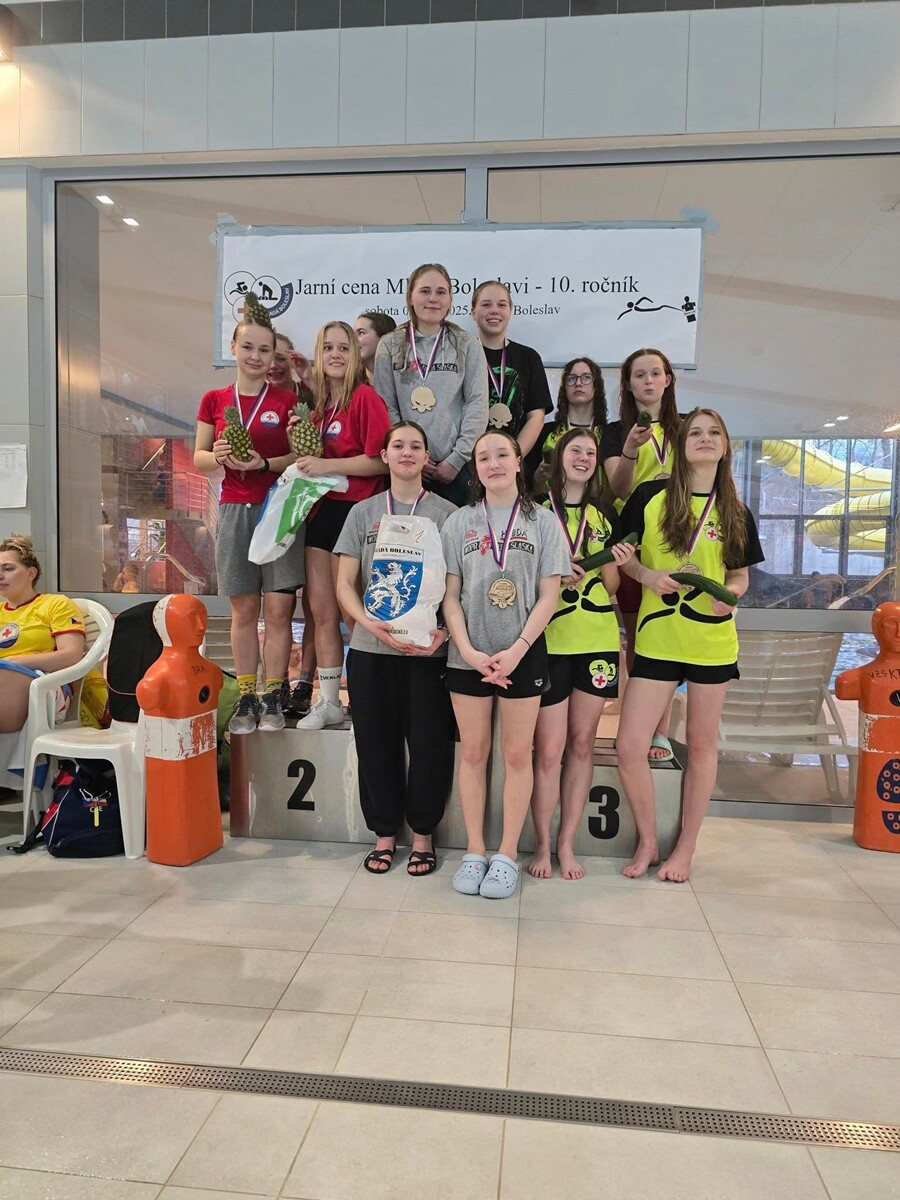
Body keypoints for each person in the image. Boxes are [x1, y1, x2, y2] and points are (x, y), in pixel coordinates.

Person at [616, 408, 764, 882]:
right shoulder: (650, 496)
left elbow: (739, 578)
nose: (704, 438)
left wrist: (731, 597)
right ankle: (648, 839)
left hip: (711, 641)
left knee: (701, 745)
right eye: (695, 432)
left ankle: (686, 847)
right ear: (681, 446)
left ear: (725, 446)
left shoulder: (736, 512)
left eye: (713, 432)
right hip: (659, 637)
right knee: (629, 745)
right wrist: (647, 575)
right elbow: (624, 559)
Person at [441, 430, 569, 899]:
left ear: (518, 462)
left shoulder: (544, 523)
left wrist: (517, 649)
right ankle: (475, 851)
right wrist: (468, 651)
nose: (493, 463)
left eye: (502, 455)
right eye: (483, 457)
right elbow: (449, 597)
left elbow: (549, 596)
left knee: (517, 755)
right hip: (468, 655)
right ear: (475, 468)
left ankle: (507, 855)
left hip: (524, 652)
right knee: (473, 754)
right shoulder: (458, 522)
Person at [334, 421, 456, 875]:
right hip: (370, 650)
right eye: (398, 445)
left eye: (416, 446)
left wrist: (444, 631)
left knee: (429, 744)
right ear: (384, 455)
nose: (407, 452)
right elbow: (344, 583)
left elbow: (456, 587)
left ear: (426, 457)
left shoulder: (448, 514)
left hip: (428, 652)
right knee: (375, 743)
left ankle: (423, 835)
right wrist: (367, 624)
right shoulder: (362, 513)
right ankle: (384, 833)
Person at [194, 292, 303, 735]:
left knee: (278, 610)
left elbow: (300, 458)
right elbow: (199, 456)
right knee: (243, 610)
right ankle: (246, 695)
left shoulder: (286, 400)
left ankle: (273, 692)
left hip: (279, 508)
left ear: (274, 355)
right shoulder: (214, 398)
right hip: (234, 509)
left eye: (265, 350)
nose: (256, 356)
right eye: (248, 347)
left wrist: (263, 464)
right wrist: (217, 456)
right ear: (233, 349)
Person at [530, 429, 635, 881]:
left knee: (581, 744)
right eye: (575, 450)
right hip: (549, 639)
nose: (584, 458)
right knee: (548, 749)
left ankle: (566, 844)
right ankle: (540, 844)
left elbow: (611, 586)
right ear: (558, 458)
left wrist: (612, 559)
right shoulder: (535, 512)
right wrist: (558, 572)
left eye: (591, 452)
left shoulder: (603, 514)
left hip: (595, 638)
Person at [293, 320, 391, 730]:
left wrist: (326, 465)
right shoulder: (318, 407)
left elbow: (379, 460)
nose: (335, 355)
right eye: (328, 348)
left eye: (343, 348)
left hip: (357, 513)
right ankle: (330, 701)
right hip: (321, 513)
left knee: (355, 613)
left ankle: (371, 698)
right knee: (321, 611)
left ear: (355, 356)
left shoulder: (365, 398)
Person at [601, 347, 682, 762]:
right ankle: (638, 727)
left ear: (668, 380)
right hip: (633, 540)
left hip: (678, 540)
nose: (648, 381)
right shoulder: (615, 431)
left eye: (655, 373)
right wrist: (632, 449)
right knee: (639, 639)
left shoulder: (688, 428)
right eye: (639, 375)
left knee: (668, 637)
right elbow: (618, 489)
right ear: (628, 384)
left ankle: (660, 730)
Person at [374, 263, 489, 507]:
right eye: (425, 291)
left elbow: (477, 403)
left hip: (455, 469)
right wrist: (410, 452)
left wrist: (457, 458)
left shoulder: (467, 344)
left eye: (441, 292)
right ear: (411, 297)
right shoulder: (390, 344)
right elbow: (385, 405)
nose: (433, 299)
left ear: (450, 299)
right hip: (406, 465)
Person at [0, 534, 107, 735]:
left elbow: (71, 655)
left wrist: (13, 663)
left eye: (8, 569)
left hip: (45, 684)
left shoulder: (55, 604)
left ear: (31, 573)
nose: (0, 575)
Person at [267, 331, 316, 718]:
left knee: (316, 605)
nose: (273, 364)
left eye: (281, 357)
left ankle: (305, 683)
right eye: (268, 355)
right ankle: (276, 681)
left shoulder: (310, 399)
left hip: (310, 509)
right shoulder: (248, 400)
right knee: (276, 606)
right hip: (270, 511)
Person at [470, 281, 552, 460]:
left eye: (502, 305)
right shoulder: (461, 355)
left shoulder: (529, 358)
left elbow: (536, 417)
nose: (494, 310)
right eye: (486, 304)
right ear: (473, 312)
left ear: (510, 311)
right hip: (467, 463)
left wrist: (513, 458)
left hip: (515, 462)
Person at [531, 357, 608, 490]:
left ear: (596, 386)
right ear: (564, 388)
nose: (578, 383)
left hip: (596, 503)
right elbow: (531, 489)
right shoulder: (545, 432)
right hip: (550, 502)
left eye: (586, 377)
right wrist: (538, 477)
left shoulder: (609, 434)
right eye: (571, 378)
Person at [355, 311, 397, 386]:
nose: (353, 339)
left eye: (361, 333)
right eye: (353, 334)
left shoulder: (405, 382)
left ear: (384, 338)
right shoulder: (350, 384)